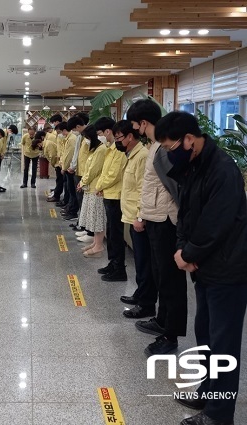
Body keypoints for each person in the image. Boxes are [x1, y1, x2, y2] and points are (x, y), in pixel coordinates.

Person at [156, 111, 247, 425]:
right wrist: (182, 248)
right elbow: (186, 214)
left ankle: (220, 416)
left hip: (228, 270)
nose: (169, 155)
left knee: (223, 344)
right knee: (205, 334)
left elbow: (215, 224)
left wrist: (189, 252)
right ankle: (208, 393)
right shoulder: (193, 166)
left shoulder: (222, 170)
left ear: (189, 140)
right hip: (204, 266)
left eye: (170, 148)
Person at [127, 99, 188, 356]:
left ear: (143, 123)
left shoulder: (162, 149)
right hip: (154, 218)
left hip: (165, 220)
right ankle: (162, 320)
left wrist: (180, 223)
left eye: (135, 125)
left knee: (170, 280)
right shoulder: (154, 146)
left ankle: (170, 335)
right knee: (160, 274)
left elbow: (176, 189)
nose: (135, 130)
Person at [114, 120, 157, 319]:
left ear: (130, 136)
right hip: (130, 214)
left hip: (138, 216)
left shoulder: (143, 156)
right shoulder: (132, 155)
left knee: (143, 261)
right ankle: (140, 294)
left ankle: (146, 304)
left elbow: (143, 190)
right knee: (140, 261)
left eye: (119, 138)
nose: (118, 142)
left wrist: (140, 215)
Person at [94, 117, 128, 282]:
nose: (102, 137)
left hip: (115, 195)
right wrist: (101, 186)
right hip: (108, 193)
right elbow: (105, 171)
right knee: (111, 232)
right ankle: (112, 263)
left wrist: (100, 186)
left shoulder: (119, 150)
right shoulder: (110, 148)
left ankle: (119, 268)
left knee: (115, 233)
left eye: (101, 133)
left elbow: (113, 174)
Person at [76, 124, 107, 257]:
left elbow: (94, 170)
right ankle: (95, 243)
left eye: (88, 138)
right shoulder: (95, 149)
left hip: (96, 188)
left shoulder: (101, 150)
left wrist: (82, 182)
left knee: (97, 218)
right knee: (93, 217)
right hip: (90, 187)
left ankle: (99, 246)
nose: (86, 141)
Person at [58, 122, 78, 221]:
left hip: (70, 169)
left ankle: (72, 211)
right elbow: (65, 154)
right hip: (67, 168)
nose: (61, 133)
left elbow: (70, 155)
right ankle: (69, 208)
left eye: (61, 131)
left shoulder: (72, 139)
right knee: (69, 189)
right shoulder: (68, 138)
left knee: (72, 191)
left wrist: (64, 167)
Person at [47, 114, 64, 202]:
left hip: (62, 161)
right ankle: (56, 193)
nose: (53, 124)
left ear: (57, 122)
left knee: (61, 180)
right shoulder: (56, 132)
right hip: (59, 160)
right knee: (59, 179)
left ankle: (57, 196)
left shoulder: (62, 133)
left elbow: (62, 148)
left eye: (53, 122)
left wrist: (60, 161)